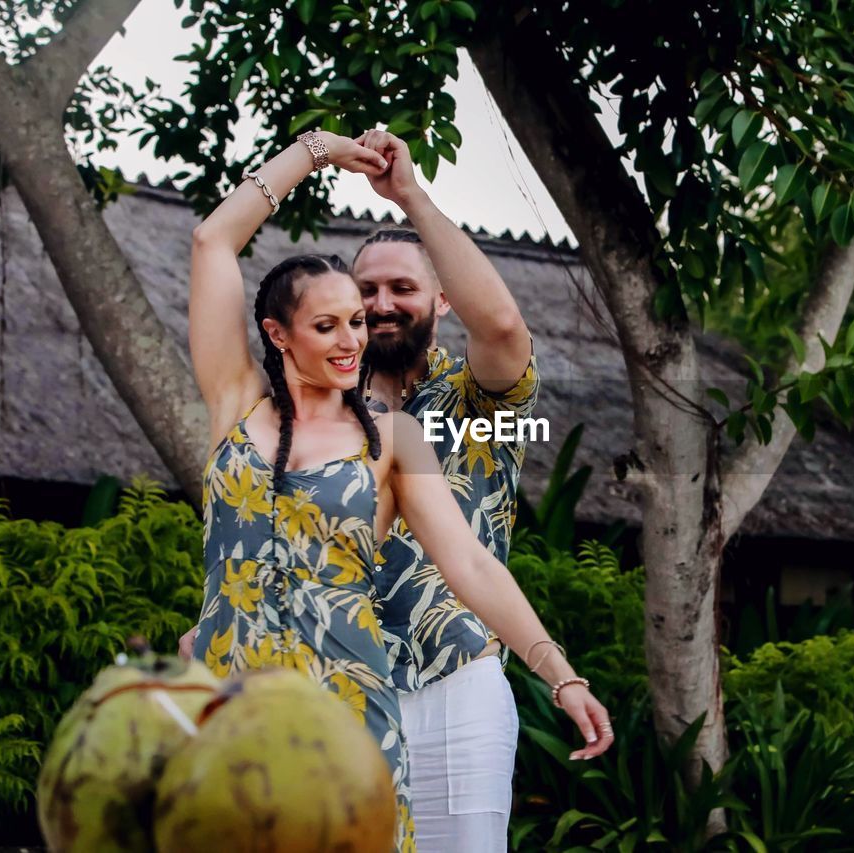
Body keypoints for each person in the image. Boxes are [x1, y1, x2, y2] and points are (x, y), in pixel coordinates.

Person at [185, 127, 612, 852]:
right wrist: (312, 150)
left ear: (440, 299)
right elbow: (210, 244)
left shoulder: (460, 406)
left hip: (445, 679)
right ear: (283, 332)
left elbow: (471, 562)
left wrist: (559, 671)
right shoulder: (251, 408)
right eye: (351, 304)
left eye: (395, 292)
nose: (372, 314)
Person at [349, 130, 539, 852]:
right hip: (343, 686)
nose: (383, 302)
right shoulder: (320, 418)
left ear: (440, 300)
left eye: (402, 287)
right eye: (366, 290)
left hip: (459, 685)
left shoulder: (477, 400)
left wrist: (410, 196)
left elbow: (503, 324)